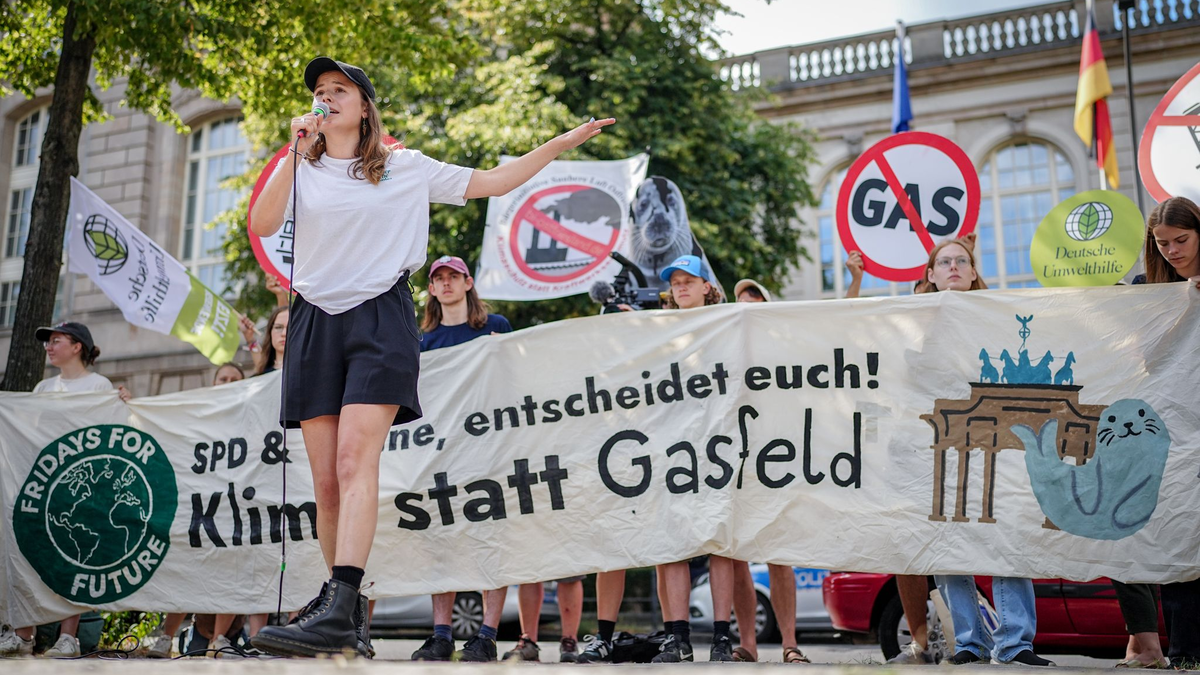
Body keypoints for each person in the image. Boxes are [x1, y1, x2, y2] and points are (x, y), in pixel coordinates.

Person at [247, 57, 612, 659]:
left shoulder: (404, 166)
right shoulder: (301, 167)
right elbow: (261, 223)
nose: (326, 98)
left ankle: (340, 603)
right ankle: (344, 619)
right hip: (314, 318)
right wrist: (295, 150)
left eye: (339, 90)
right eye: (320, 91)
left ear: (365, 107)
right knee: (326, 482)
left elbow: (495, 181)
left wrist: (561, 143)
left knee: (354, 459)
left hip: (378, 318)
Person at [910, 239, 1051, 667]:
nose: (953, 266)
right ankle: (970, 642)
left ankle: (1015, 643)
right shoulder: (915, 323)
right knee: (949, 541)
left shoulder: (999, 318)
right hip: (942, 445)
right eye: (944, 262)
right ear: (931, 275)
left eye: (962, 260)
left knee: (1006, 534)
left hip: (999, 444)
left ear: (973, 272)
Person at [407, 255, 513, 663]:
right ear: (432, 289)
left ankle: (487, 635)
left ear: (469, 282)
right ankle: (442, 635)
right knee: (442, 543)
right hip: (442, 454)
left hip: (489, 451)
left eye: (455, 276)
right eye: (440, 278)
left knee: (491, 540)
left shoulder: (495, 328)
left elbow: (514, 383)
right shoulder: (423, 341)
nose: (447, 283)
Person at [0, 322, 127, 658]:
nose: (49, 347)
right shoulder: (44, 388)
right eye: (48, 342)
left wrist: (123, 402)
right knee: (29, 552)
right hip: (45, 483)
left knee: (74, 555)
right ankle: (23, 634)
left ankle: (68, 637)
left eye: (56, 340)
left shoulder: (98, 385)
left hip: (81, 484)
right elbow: (28, 433)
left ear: (77, 346)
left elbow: (109, 429)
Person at [1124, 196, 1200, 670]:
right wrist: (1181, 307)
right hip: (1172, 433)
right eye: (1162, 243)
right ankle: (1186, 651)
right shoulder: (1145, 289)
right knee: (1176, 535)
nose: (1172, 251)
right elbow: (1145, 359)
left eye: (1181, 240)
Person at [727, 283, 811, 664]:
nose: (746, 309)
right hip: (734, 461)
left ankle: (790, 643)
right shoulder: (725, 349)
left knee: (778, 552)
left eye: (754, 304)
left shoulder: (782, 352)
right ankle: (748, 644)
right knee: (736, 555)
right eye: (740, 304)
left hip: (776, 459)